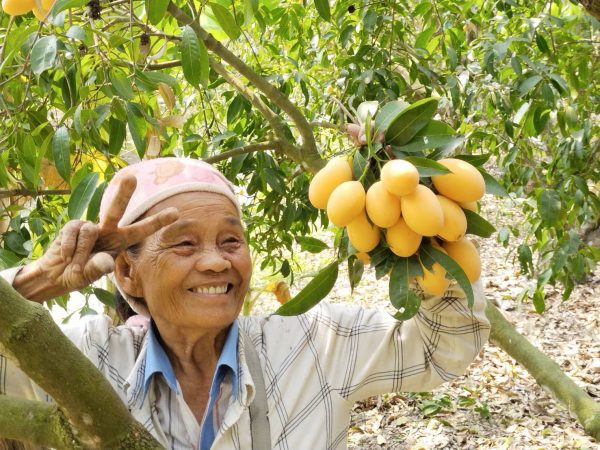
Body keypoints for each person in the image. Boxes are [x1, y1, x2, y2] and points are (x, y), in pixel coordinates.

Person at [0, 157, 490, 449]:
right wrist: (32, 285)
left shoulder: (314, 346)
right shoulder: (85, 355)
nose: (216, 262)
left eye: (231, 241)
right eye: (184, 245)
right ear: (128, 272)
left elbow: (439, 348)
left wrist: (428, 235)